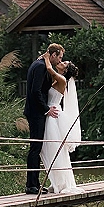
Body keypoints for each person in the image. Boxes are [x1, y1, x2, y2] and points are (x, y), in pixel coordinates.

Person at [23, 43, 64, 194]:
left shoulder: (39, 63)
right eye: (59, 57)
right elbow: (35, 92)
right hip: (36, 112)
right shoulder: (40, 66)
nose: (60, 61)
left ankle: (35, 182)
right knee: (35, 148)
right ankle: (30, 185)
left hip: (36, 111)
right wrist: (46, 109)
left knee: (37, 148)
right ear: (53, 55)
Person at [40, 53, 81, 194]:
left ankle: (61, 183)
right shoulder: (59, 78)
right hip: (51, 112)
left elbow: (50, 69)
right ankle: (56, 181)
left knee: (54, 149)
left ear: (65, 70)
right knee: (51, 150)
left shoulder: (62, 79)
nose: (61, 62)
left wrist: (46, 58)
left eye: (64, 63)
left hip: (53, 115)